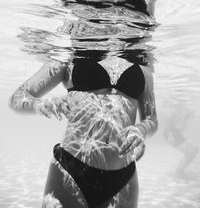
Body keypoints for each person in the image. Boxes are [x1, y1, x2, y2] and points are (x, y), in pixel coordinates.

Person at [9, 51, 158, 208]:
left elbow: (151, 118)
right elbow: (18, 97)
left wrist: (140, 130)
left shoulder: (143, 64)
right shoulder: (66, 56)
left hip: (124, 177)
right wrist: (39, 105)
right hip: (71, 170)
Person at [163, 108, 199, 178]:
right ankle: (178, 172)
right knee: (191, 152)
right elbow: (169, 123)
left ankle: (179, 171)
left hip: (176, 135)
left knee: (194, 150)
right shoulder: (180, 113)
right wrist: (171, 137)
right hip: (172, 135)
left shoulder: (184, 116)